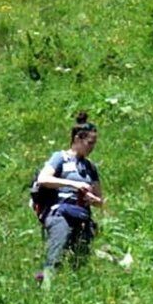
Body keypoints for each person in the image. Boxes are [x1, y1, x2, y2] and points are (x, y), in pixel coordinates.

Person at [34, 112, 104, 277]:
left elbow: (100, 200)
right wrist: (73, 184)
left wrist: (93, 199)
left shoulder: (90, 167)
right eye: (89, 143)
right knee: (55, 257)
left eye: (94, 143)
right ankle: (47, 288)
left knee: (80, 261)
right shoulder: (60, 158)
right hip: (60, 214)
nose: (92, 147)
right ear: (78, 140)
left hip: (82, 217)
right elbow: (43, 179)